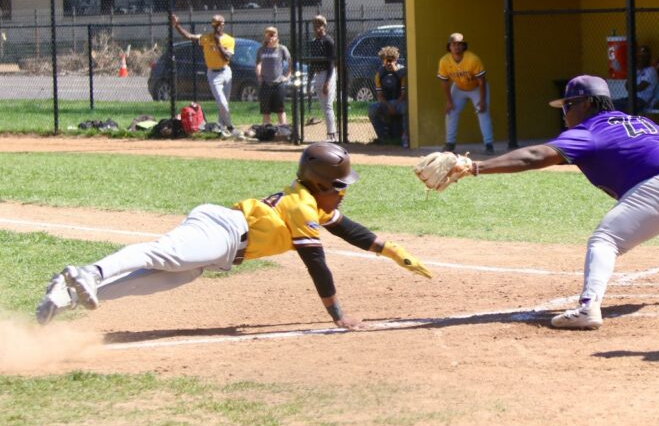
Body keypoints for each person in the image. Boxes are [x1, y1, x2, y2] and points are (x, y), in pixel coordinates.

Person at [455, 75, 659, 330]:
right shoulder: (639, 121)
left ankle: (588, 307)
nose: (564, 112)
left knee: (605, 239)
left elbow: (534, 156)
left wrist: (476, 167)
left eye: (569, 105)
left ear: (588, 104)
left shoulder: (590, 131)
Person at [35, 143, 432, 328]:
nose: (344, 191)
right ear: (321, 183)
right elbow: (317, 264)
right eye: (340, 185)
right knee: (164, 255)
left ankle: (66, 295)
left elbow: (351, 232)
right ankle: (89, 272)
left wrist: (395, 252)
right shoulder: (301, 208)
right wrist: (339, 315)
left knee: (162, 279)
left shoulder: (313, 204)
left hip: (224, 246)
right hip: (224, 231)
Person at [170, 13, 235, 132]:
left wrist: (218, 44)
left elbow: (227, 58)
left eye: (219, 24)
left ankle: (221, 126)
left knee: (224, 104)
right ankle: (231, 127)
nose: (216, 27)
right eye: (214, 25)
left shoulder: (229, 40)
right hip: (213, 74)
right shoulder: (206, 38)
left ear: (223, 25)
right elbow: (189, 36)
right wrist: (177, 25)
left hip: (226, 72)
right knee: (222, 103)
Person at [438, 32, 494, 155]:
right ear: (449, 46)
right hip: (458, 88)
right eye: (453, 44)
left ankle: (489, 144)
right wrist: (449, 101)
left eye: (459, 44)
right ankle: (450, 143)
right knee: (451, 112)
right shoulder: (444, 61)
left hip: (476, 88)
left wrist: (483, 100)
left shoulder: (473, 59)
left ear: (464, 46)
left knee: (482, 112)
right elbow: (444, 82)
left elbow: (481, 81)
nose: (456, 47)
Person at [369, 45, 408, 148]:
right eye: (387, 60)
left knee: (406, 108)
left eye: (392, 60)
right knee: (372, 108)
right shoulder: (380, 74)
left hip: (400, 102)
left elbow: (404, 94)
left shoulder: (402, 72)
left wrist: (395, 105)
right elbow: (380, 95)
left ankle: (405, 138)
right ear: (383, 60)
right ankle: (383, 138)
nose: (389, 63)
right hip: (386, 103)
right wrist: (389, 106)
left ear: (396, 60)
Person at [309, 15, 338, 143]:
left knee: (327, 105)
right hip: (318, 73)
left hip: (328, 74)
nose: (317, 28)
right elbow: (312, 63)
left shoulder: (328, 41)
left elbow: (331, 63)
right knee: (323, 105)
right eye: (315, 25)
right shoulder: (314, 43)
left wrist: (327, 82)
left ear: (324, 27)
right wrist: (309, 81)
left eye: (320, 25)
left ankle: (332, 134)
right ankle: (330, 133)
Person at [255, 26, 291, 127]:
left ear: (276, 36)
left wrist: (287, 76)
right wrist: (259, 75)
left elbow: (290, 62)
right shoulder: (261, 50)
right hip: (265, 83)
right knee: (265, 111)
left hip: (278, 83)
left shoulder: (281, 49)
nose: (270, 37)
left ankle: (283, 130)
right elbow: (258, 64)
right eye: (267, 34)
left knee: (280, 109)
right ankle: (267, 131)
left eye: (272, 35)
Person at [613, 45, 659, 113]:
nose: (642, 58)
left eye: (644, 56)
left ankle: (629, 123)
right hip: (630, 99)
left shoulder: (651, 70)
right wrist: (631, 86)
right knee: (611, 105)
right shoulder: (635, 70)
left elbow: (640, 88)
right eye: (640, 56)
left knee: (628, 109)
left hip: (643, 100)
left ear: (648, 58)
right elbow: (627, 86)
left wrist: (631, 86)